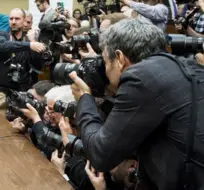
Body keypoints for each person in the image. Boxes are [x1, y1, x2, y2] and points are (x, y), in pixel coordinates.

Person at [69, 18, 204, 189]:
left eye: (104, 61)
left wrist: (84, 98)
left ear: (119, 58)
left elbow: (100, 155)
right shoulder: (190, 67)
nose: (104, 69)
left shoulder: (140, 78)